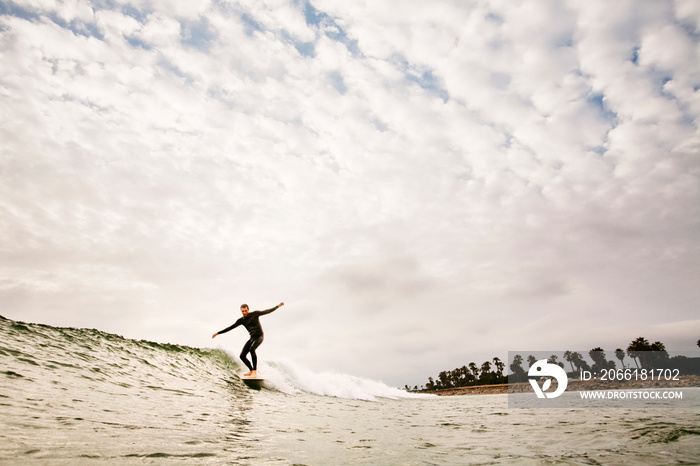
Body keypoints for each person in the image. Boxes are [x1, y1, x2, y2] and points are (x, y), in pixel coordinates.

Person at [212, 302, 284, 378]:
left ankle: (255, 371)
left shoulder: (255, 314)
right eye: (242, 311)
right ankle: (251, 370)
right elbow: (230, 327)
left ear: (248, 309)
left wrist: (277, 306)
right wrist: (218, 333)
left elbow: (267, 311)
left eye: (245, 311)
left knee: (252, 349)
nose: (244, 312)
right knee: (242, 356)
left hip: (259, 336)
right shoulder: (241, 320)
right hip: (252, 338)